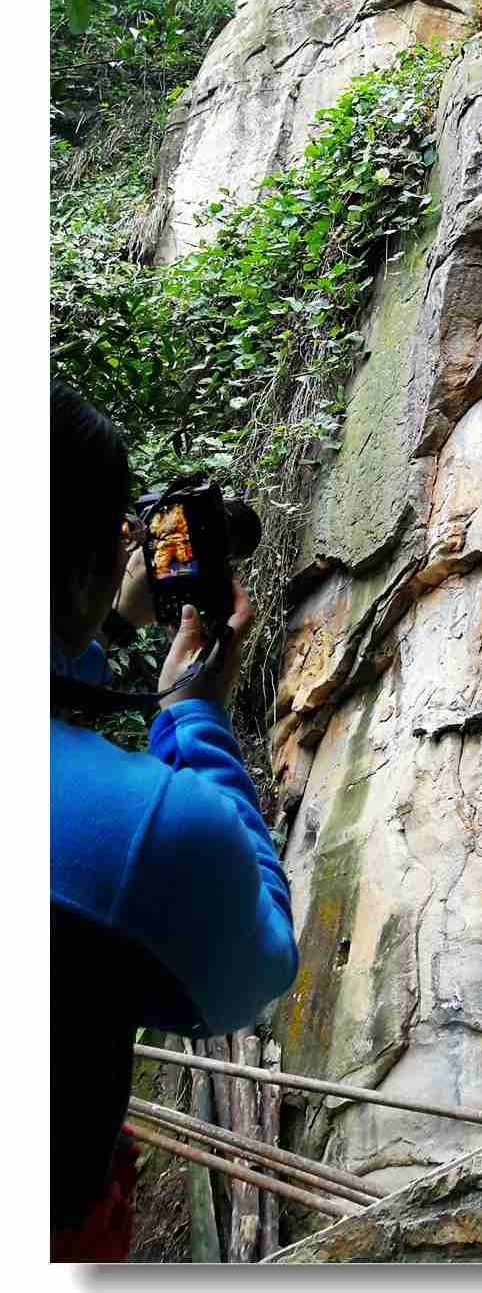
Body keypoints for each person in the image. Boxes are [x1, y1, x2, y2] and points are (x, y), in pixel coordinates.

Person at [50, 383, 299, 1261]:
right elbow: (258, 964)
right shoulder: (138, 826)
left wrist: (103, 618)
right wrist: (194, 715)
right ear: (84, 563)